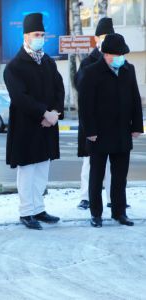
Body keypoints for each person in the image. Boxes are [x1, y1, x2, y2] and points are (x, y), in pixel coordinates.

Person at [3, 13, 64, 230]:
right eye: (36, 34)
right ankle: (26, 211)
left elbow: (59, 88)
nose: (40, 38)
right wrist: (43, 114)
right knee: (27, 171)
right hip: (26, 128)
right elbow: (20, 97)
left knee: (42, 169)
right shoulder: (14, 66)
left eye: (42, 34)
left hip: (47, 127)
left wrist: (55, 113)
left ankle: (39, 208)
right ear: (26, 36)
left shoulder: (47, 61)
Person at [78, 34, 143, 228]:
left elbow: (135, 99)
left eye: (123, 54)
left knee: (120, 176)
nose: (121, 57)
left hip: (122, 132)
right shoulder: (91, 72)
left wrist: (137, 126)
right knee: (96, 177)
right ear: (106, 54)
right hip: (98, 133)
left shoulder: (128, 69)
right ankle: (96, 214)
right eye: (118, 54)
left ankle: (119, 212)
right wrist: (89, 130)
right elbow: (85, 105)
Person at [75, 17, 115, 211]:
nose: (106, 39)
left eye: (110, 35)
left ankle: (112, 197)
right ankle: (86, 197)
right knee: (89, 162)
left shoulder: (118, 60)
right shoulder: (88, 61)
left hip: (113, 121)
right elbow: (80, 87)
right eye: (104, 36)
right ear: (97, 38)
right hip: (93, 121)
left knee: (112, 163)